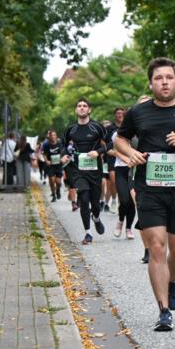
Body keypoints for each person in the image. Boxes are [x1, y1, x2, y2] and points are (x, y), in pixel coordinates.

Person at [115, 57, 175, 332]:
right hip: (149, 189)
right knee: (157, 247)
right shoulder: (138, 112)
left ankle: (171, 280)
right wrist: (129, 152)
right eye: (159, 78)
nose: (164, 82)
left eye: (169, 77)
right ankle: (163, 310)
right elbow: (119, 138)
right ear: (151, 82)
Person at [62, 98, 107, 244]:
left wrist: (99, 152)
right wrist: (64, 154)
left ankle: (96, 217)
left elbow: (111, 143)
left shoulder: (97, 127)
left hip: (94, 170)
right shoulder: (71, 129)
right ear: (76, 110)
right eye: (79, 106)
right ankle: (88, 233)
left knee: (94, 203)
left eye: (84, 106)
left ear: (89, 110)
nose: (82, 108)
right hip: (78, 169)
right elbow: (63, 145)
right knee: (84, 198)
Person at [40, 130, 64, 201]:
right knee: (52, 180)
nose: (53, 136)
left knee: (58, 182)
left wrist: (61, 158)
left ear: (56, 136)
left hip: (58, 165)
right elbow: (44, 154)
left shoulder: (60, 143)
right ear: (49, 136)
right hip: (50, 165)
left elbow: (63, 152)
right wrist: (46, 161)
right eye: (51, 135)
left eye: (54, 135)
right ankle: (53, 195)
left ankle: (58, 190)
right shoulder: (46, 145)